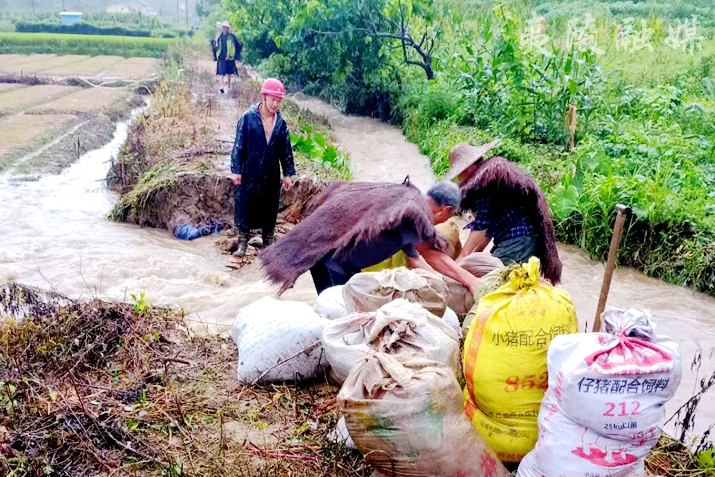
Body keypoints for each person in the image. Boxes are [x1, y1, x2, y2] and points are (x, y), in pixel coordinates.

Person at [260, 179, 479, 295]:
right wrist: (470, 281)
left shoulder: (405, 200)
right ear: (446, 210)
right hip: (331, 264)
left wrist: (444, 284)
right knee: (339, 319)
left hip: (339, 263)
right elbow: (432, 256)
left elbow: (415, 259)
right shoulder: (415, 213)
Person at [445, 140, 562, 283]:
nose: (458, 177)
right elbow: (488, 229)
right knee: (507, 281)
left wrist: (462, 258)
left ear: (465, 168)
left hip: (518, 241)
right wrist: (471, 259)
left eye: (458, 172)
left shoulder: (484, 181)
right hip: (525, 239)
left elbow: (481, 226)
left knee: (495, 282)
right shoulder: (491, 176)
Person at [230, 78, 295, 257]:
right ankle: (242, 244)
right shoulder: (248, 118)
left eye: (278, 100)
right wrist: (236, 170)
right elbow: (239, 145)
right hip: (250, 170)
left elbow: (286, 150)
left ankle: (267, 244)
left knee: (270, 207)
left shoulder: (281, 124)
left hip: (271, 173)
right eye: (272, 99)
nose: (275, 103)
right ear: (264, 97)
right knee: (245, 204)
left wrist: (288, 173)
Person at [213, 21, 242, 94]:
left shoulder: (231, 37)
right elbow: (215, 46)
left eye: (227, 27)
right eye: (224, 27)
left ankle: (228, 86)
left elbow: (233, 47)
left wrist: (229, 55)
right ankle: (221, 87)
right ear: (222, 28)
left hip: (229, 58)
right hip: (221, 57)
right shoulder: (219, 36)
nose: (225, 29)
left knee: (229, 73)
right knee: (221, 73)